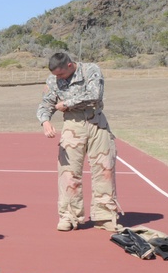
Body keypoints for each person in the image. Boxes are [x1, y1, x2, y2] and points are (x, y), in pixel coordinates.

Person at [37, 51, 121, 231]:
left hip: (96, 122)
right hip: (73, 125)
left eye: (60, 74)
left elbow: (95, 94)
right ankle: (69, 216)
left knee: (104, 169)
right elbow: (46, 103)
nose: (57, 78)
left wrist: (67, 103)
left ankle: (105, 216)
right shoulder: (53, 80)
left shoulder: (90, 70)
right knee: (68, 173)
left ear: (69, 65)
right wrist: (45, 121)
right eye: (55, 75)